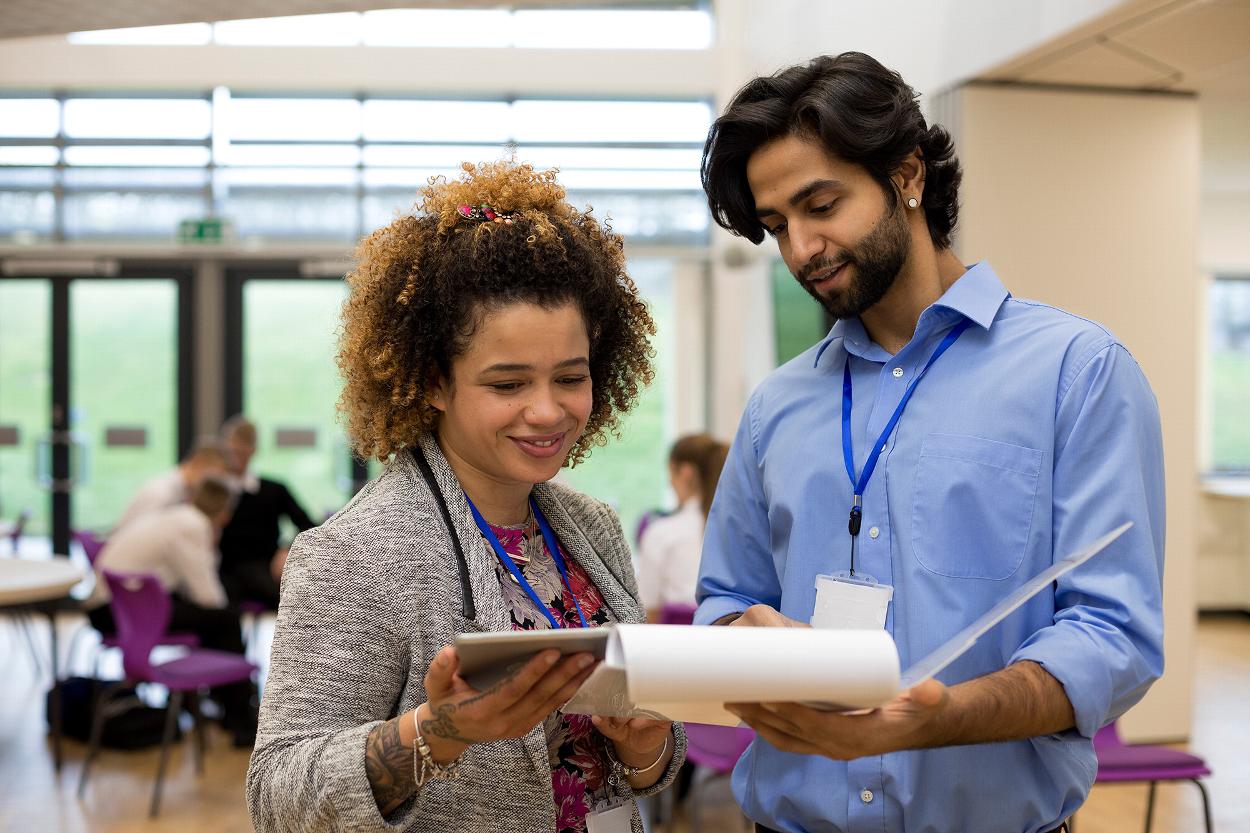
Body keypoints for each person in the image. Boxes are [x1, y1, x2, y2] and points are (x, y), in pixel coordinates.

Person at [695, 52, 1165, 833]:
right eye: (778, 226)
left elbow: (1111, 636)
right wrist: (744, 632)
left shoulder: (1077, 373)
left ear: (907, 174)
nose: (802, 249)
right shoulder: (775, 405)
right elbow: (725, 600)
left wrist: (935, 717)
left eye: (821, 205)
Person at [246, 160, 686, 833]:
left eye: (570, 377)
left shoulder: (592, 529)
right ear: (433, 382)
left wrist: (643, 742)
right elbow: (278, 796)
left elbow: (638, 768)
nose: (548, 411)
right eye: (508, 385)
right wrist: (436, 734)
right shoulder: (353, 554)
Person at [87, 476, 257, 744]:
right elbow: (208, 596)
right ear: (225, 514)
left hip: (113, 607)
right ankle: (241, 719)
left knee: (211, 619)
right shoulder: (194, 526)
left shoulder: (177, 516)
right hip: (123, 612)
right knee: (225, 619)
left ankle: (222, 705)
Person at [217, 415, 317, 609]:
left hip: (263, 567)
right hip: (223, 570)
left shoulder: (274, 490)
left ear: (253, 451)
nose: (237, 457)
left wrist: (287, 550)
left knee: (295, 598)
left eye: (243, 450)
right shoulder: (216, 492)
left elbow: (308, 525)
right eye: (233, 450)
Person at [636, 434, 728, 621]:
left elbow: (648, 611)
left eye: (670, 473)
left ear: (685, 472)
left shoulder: (662, 532)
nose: (670, 483)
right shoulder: (739, 530)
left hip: (675, 645)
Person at [113, 438, 228, 531]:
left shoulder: (184, 492)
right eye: (215, 476)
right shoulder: (162, 492)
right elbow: (142, 536)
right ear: (199, 462)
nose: (212, 486)